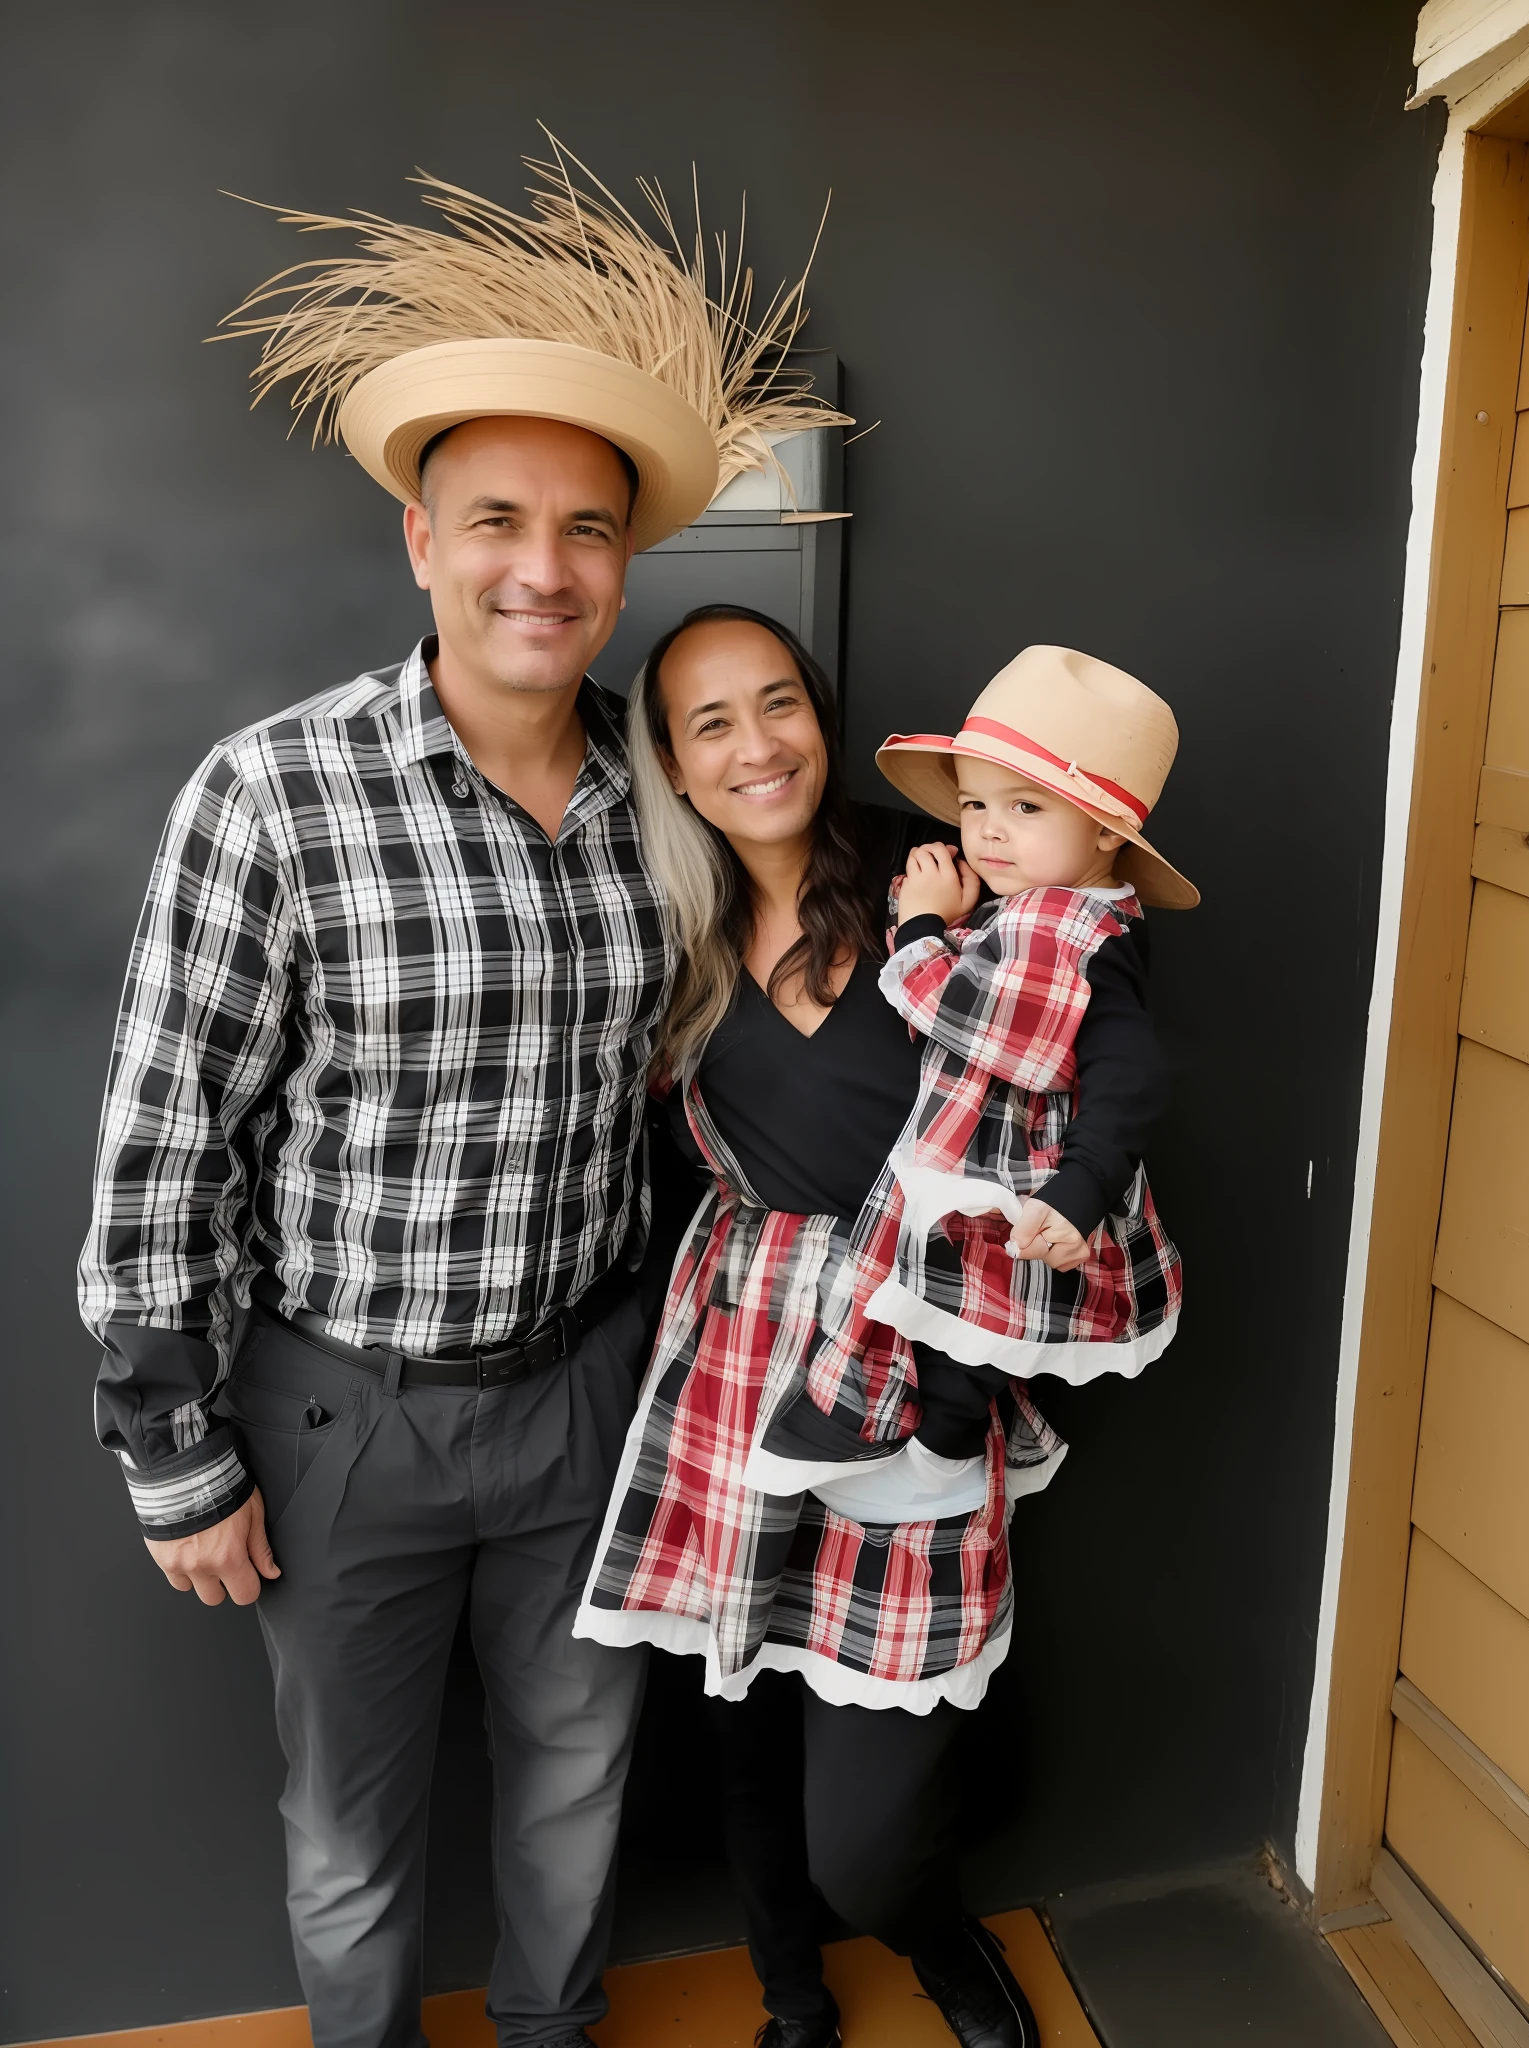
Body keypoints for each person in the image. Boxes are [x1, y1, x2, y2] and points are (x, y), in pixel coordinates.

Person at [77, 150, 846, 2048]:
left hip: (590, 1396)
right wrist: (172, 1445)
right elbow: (165, 1140)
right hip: (339, 1412)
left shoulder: (662, 796)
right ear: (421, 541)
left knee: (575, 1796)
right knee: (347, 1837)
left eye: (588, 530)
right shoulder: (271, 793)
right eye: (497, 517)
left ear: (625, 563)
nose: (544, 566)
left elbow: (796, 947)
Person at [577, 608, 1169, 2048]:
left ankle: (929, 1931)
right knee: (739, 1727)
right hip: (738, 1349)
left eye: (778, 704)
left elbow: (1065, 1099)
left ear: (821, 716)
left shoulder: (948, 881)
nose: (754, 744)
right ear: (670, 756)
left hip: (919, 1351)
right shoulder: (663, 917)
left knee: (869, 1807)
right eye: (710, 721)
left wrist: (974, 1352)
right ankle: (791, 1994)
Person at [744, 643, 1193, 1522]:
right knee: (945, 1319)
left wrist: (918, 927)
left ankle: (942, 1455)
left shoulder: (1083, 931)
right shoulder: (1026, 911)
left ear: (1106, 831)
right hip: (974, 1167)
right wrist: (948, 916)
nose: (986, 830)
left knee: (979, 1331)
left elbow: (1109, 1067)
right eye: (975, 803)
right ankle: (897, 1439)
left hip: (1024, 1185)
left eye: (1024, 807)